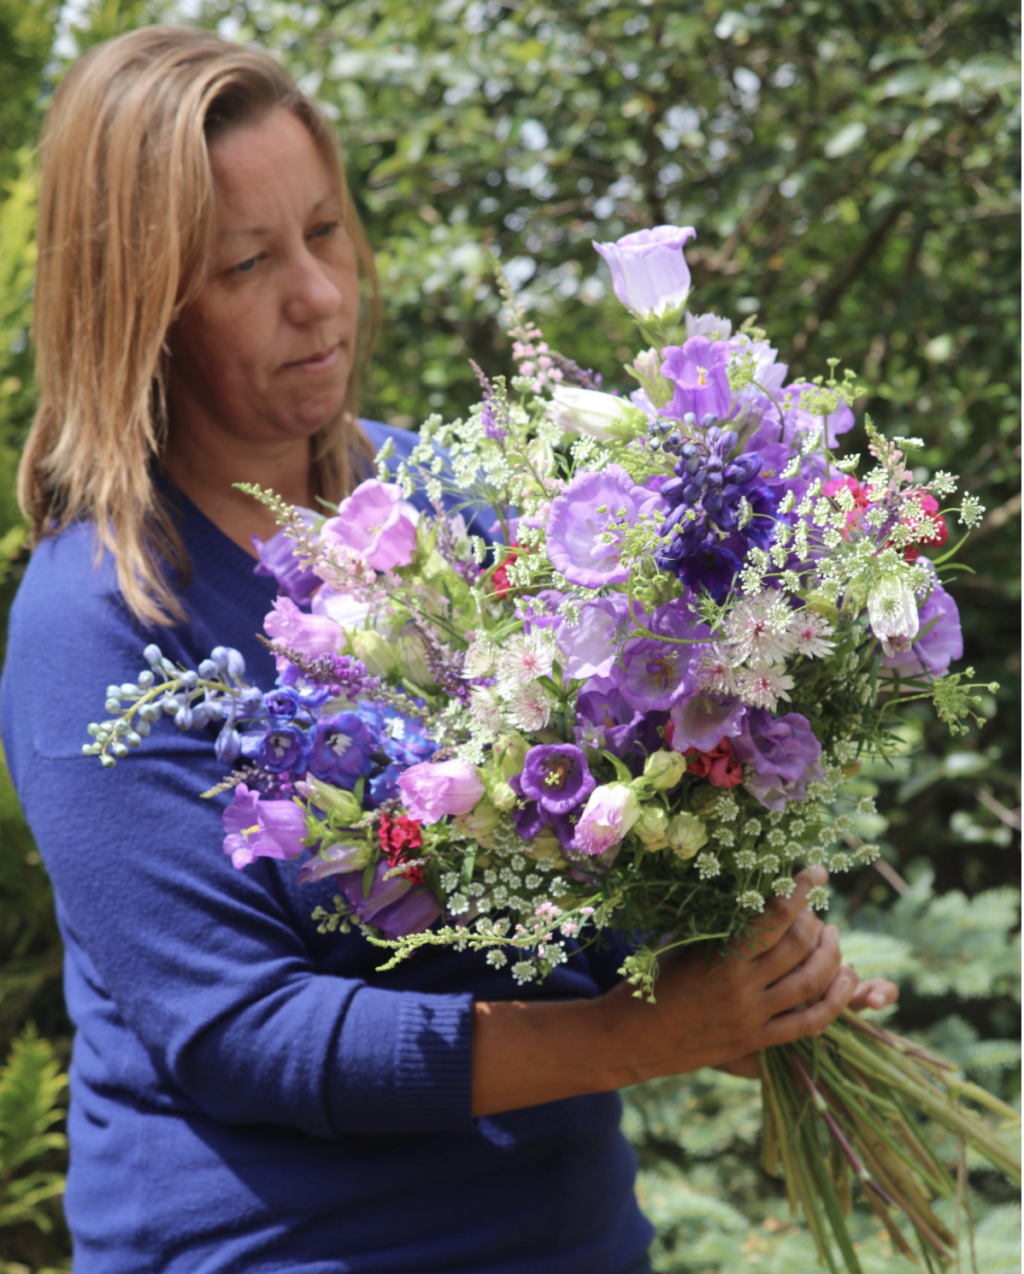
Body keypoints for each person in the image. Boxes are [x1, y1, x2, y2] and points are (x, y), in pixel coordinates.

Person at [1, 26, 898, 1274]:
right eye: (245, 263)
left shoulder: (446, 493)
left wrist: (735, 972)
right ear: (140, 306)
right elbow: (242, 1030)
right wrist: (656, 1035)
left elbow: (588, 866)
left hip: (564, 1233)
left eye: (323, 232)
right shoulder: (97, 617)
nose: (315, 293)